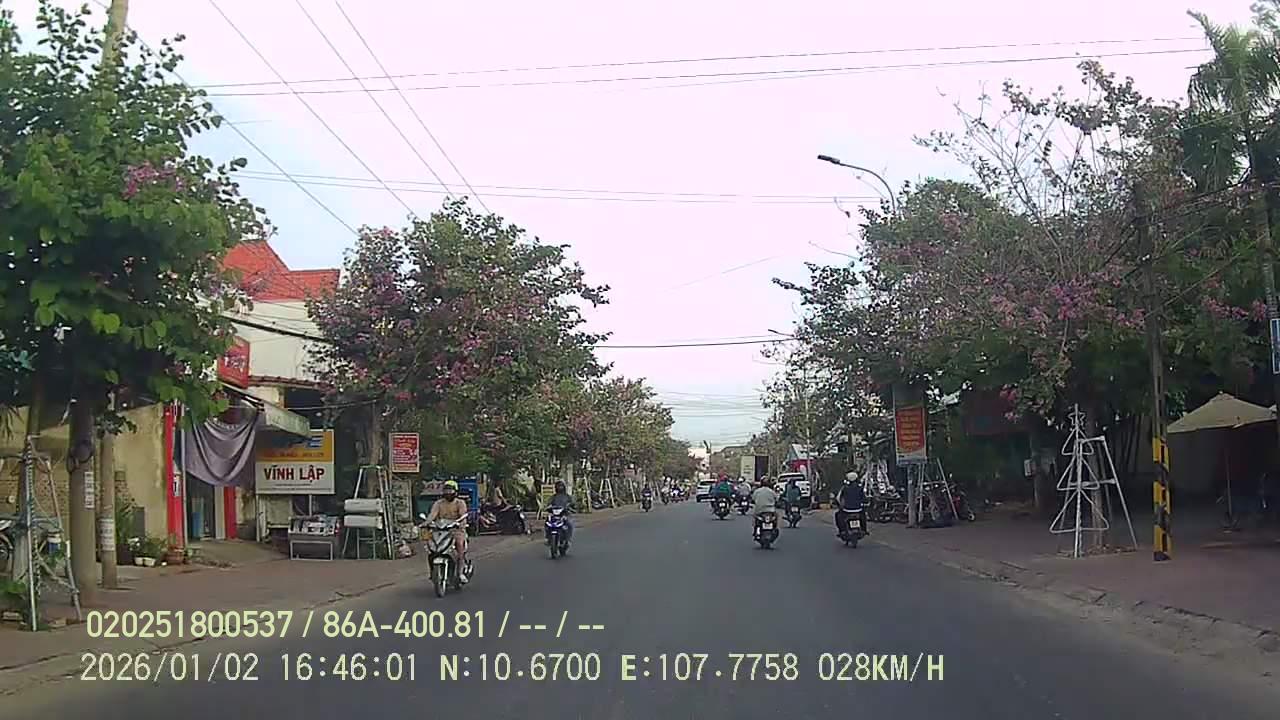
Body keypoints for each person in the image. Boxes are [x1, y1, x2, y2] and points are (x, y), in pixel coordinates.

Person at [425, 480, 472, 577]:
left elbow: (463, 516)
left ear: (455, 491)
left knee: (459, 545)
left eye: (450, 490)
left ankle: (460, 572)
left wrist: (461, 523)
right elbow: (432, 515)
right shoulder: (439, 503)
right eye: (446, 490)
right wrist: (426, 523)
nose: (448, 493)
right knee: (431, 549)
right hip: (441, 530)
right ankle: (432, 572)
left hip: (456, 530)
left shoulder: (460, 503)